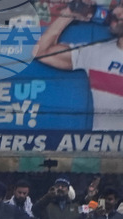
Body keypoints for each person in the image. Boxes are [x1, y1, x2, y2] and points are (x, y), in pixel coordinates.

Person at [35, 1, 123, 131]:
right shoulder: (97, 52)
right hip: (103, 148)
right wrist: (71, 12)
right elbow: (41, 51)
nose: (115, 12)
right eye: (118, 6)